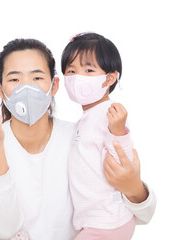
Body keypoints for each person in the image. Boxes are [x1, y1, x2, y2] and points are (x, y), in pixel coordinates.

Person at [0, 38, 156, 240]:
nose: (26, 88)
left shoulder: (81, 137)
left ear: (54, 86)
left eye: (37, 78)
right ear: (1, 89)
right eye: (14, 80)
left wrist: (133, 188)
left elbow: (144, 214)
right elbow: (1, 229)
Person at [62, 32, 144, 239]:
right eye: (71, 70)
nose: (77, 77)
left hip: (107, 222)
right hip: (93, 222)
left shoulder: (108, 113)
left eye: (88, 70)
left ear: (109, 78)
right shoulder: (85, 119)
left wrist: (118, 131)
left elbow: (122, 162)